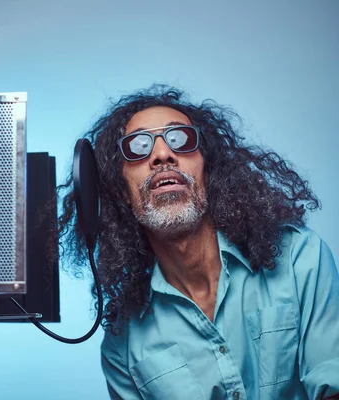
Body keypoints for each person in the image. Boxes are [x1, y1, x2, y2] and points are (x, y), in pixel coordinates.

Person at [56, 85, 339, 399]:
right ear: (121, 191)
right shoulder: (122, 346)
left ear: (208, 171)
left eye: (180, 139)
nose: (163, 154)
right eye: (138, 146)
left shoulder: (300, 259)